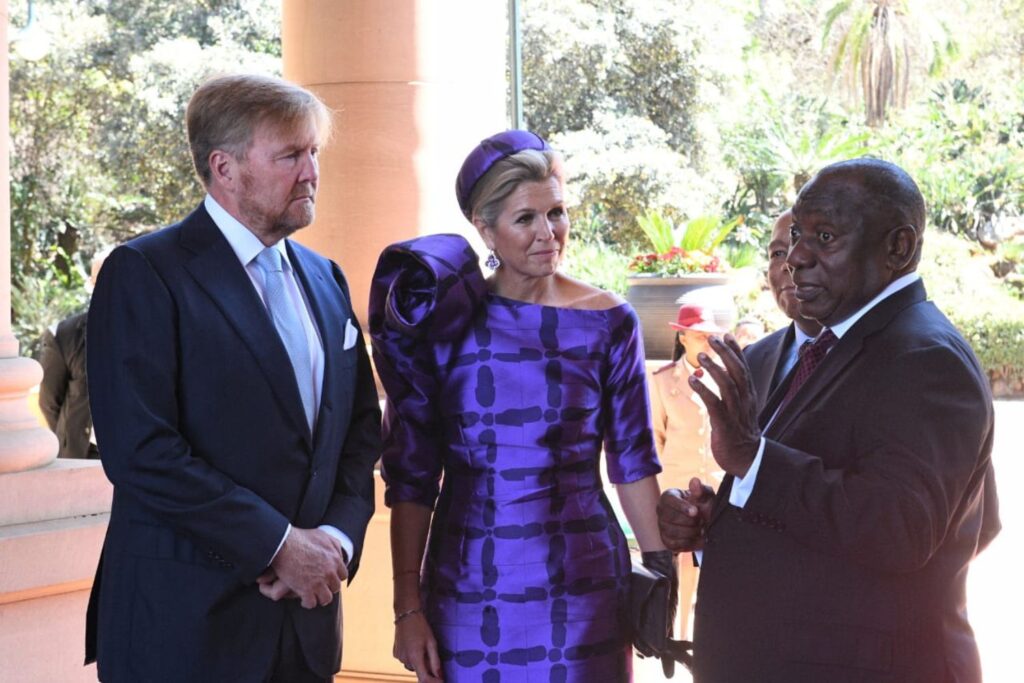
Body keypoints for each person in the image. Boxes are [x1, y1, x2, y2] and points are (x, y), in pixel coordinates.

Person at [84, 74, 381, 683]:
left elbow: (357, 433)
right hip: (183, 629)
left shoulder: (326, 279)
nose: (311, 172)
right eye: (289, 156)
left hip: (306, 628)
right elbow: (141, 450)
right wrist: (278, 546)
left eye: (314, 153)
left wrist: (333, 543)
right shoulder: (144, 272)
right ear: (224, 167)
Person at [658, 158, 999, 682]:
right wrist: (718, 519)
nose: (796, 257)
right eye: (796, 234)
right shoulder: (832, 345)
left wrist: (753, 460)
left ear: (898, 249)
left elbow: (900, 530)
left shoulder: (924, 357)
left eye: (825, 236)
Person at [369, 130, 672, 682]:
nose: (547, 234)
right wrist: (406, 608)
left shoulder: (611, 321)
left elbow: (632, 462)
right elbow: (412, 479)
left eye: (556, 212)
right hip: (466, 588)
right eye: (524, 219)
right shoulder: (443, 326)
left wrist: (658, 572)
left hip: (584, 586)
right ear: (484, 229)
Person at [646, 302, 726, 639]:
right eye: (697, 334)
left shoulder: (725, 375)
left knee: (716, 565)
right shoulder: (663, 381)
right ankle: (676, 636)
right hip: (678, 484)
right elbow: (655, 436)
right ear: (682, 337)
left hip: (718, 486)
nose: (705, 340)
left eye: (709, 334)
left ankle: (709, 634)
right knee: (678, 566)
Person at [743, 209, 823, 407]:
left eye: (806, 249)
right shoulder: (752, 359)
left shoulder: (884, 358)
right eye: (778, 253)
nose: (789, 263)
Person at [39, 250, 109, 459]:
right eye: (102, 279)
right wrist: (71, 438)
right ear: (92, 284)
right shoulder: (64, 335)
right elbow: (50, 402)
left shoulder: (150, 330)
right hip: (84, 454)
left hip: (134, 454)